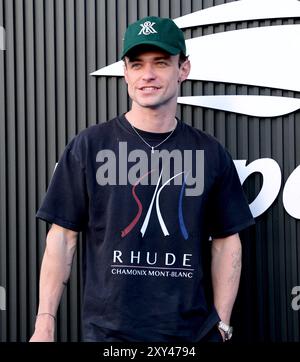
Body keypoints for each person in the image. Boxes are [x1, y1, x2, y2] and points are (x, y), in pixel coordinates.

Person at [30, 16, 254, 342]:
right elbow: (62, 238)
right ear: (125, 72)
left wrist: (222, 325)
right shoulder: (90, 146)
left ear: (183, 69)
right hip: (109, 337)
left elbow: (227, 241)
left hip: (188, 336)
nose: (147, 75)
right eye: (136, 65)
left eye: (160, 63)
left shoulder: (209, 153)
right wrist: (44, 322)